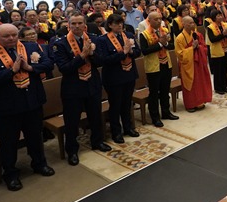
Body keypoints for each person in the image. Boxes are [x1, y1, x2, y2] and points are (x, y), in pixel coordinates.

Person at [0, 24, 55, 191]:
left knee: (35, 136)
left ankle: (39, 163)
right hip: (7, 107)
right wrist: (11, 71)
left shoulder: (31, 47)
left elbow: (48, 64)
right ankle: (10, 174)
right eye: (6, 36)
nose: (11, 38)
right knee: (8, 142)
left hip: (32, 101)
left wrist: (30, 68)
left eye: (14, 35)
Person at [52, 13, 112, 165]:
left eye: (80, 23)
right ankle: (72, 150)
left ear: (85, 25)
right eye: (73, 23)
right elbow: (65, 68)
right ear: (69, 25)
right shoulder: (60, 44)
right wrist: (82, 55)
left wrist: (92, 54)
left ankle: (97, 141)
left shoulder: (93, 39)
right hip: (73, 88)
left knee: (95, 116)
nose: (77, 26)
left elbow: (101, 61)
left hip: (92, 84)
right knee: (72, 121)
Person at [95, 13, 141, 143]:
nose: (120, 26)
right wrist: (123, 53)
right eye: (116, 24)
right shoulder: (103, 40)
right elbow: (104, 60)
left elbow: (138, 52)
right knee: (115, 105)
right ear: (110, 25)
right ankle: (116, 132)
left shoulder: (129, 35)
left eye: (121, 23)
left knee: (127, 103)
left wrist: (131, 51)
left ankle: (128, 127)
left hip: (129, 74)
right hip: (114, 77)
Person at [138, 12, 177, 126]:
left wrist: (165, 44)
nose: (159, 21)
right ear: (149, 21)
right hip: (153, 67)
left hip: (166, 64)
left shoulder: (164, 31)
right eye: (156, 19)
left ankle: (166, 112)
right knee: (154, 93)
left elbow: (172, 46)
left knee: (165, 90)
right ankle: (155, 117)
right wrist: (160, 44)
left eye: (160, 19)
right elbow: (144, 51)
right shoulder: (144, 34)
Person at [174, 16, 213, 111]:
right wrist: (192, 48)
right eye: (190, 23)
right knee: (190, 84)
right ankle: (190, 104)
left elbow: (204, 48)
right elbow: (180, 54)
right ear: (183, 24)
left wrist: (198, 47)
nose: (192, 25)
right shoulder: (179, 38)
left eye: (193, 23)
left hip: (198, 63)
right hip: (188, 65)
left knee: (199, 83)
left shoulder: (197, 35)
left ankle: (199, 101)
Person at [207, 9, 227, 93]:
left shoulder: (225, 25)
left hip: (226, 49)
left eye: (221, 15)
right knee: (218, 70)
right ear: (214, 18)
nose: (220, 17)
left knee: (224, 69)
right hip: (217, 51)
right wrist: (223, 35)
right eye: (218, 16)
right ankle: (218, 88)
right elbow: (212, 39)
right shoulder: (210, 27)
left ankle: (224, 86)